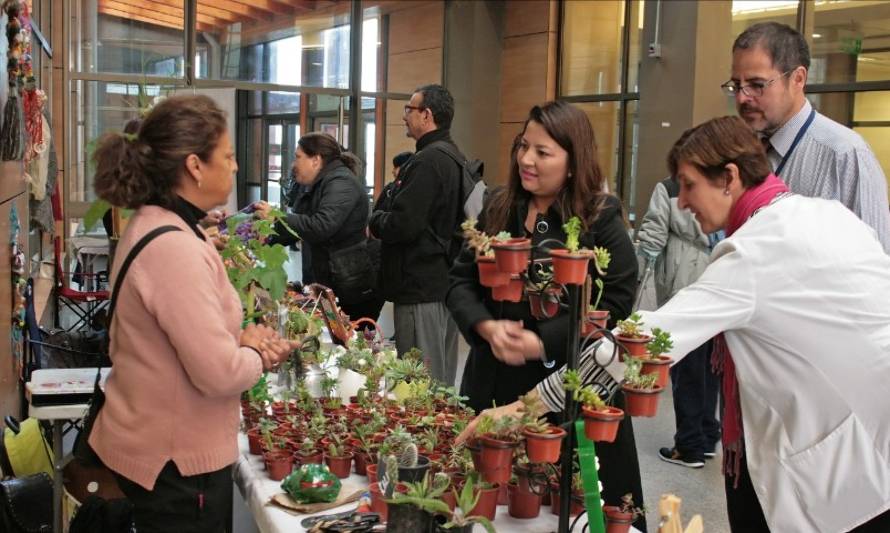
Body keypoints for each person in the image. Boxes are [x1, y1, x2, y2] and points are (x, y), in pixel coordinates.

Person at [463, 116, 890, 533]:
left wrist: (522, 409)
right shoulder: (824, 214)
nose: (681, 202)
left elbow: (635, 344)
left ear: (729, 177)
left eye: (688, 185)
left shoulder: (755, 253)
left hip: (852, 469)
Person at [89, 95, 294, 532]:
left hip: (165, 451)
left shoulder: (163, 225)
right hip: (174, 465)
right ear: (195, 166)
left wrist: (238, 342)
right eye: (229, 156)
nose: (236, 167)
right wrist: (258, 354)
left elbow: (183, 343)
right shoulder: (173, 246)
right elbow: (219, 373)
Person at [447, 100, 645, 530]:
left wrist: (544, 341)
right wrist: (484, 325)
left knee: (564, 508)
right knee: (488, 505)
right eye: (523, 147)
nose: (526, 160)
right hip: (493, 382)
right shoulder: (500, 206)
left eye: (542, 152)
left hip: (568, 391)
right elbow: (460, 281)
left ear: (574, 163)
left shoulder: (600, 216)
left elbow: (615, 304)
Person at [726, 21, 890, 254]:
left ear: (798, 79)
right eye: (736, 85)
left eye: (756, 85)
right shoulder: (744, 148)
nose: (742, 98)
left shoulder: (845, 155)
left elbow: (878, 264)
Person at [369, 84, 465, 385]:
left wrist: (376, 221)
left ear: (427, 115)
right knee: (439, 376)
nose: (404, 117)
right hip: (441, 281)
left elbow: (404, 224)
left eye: (409, 109)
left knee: (419, 381)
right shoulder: (452, 156)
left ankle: (430, 433)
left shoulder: (427, 161)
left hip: (420, 285)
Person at [636, 175, 721, 468]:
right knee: (712, 364)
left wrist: (637, 274)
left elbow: (653, 235)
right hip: (720, 279)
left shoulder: (671, 188)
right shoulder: (722, 185)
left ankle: (689, 446)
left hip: (682, 283)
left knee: (685, 365)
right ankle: (708, 436)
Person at [256, 133, 383, 323]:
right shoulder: (315, 185)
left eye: (298, 157)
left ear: (316, 160)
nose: (293, 164)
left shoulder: (342, 183)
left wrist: (276, 216)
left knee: (351, 342)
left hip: (353, 284)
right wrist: (265, 238)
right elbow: (299, 227)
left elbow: (321, 226)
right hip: (331, 279)